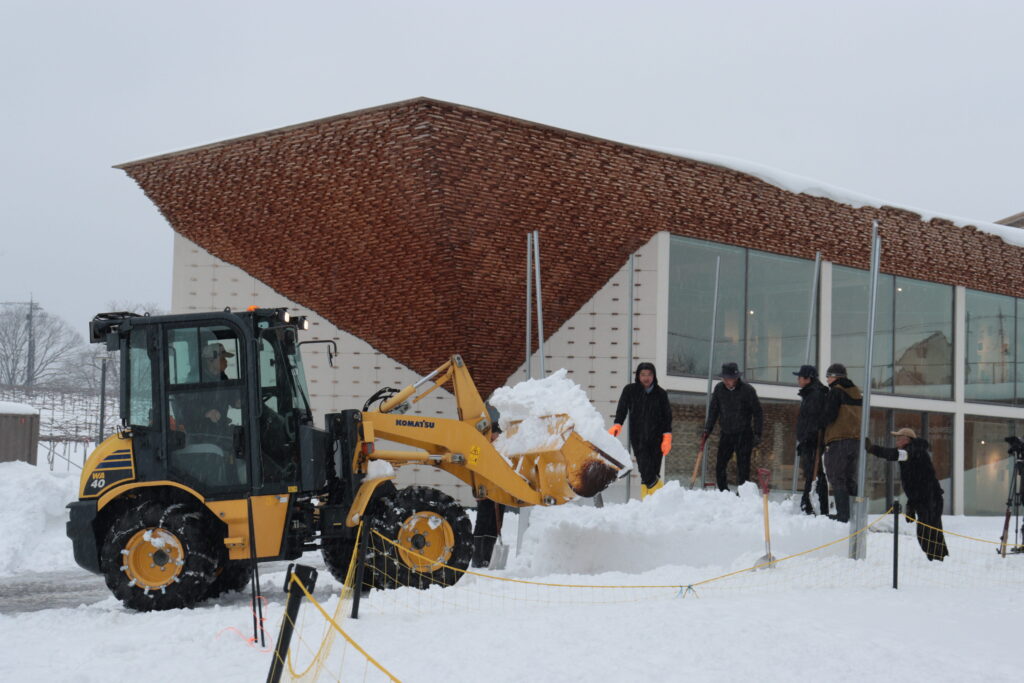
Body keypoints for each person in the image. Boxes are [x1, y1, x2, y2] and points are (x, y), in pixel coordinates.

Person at [866, 428, 949, 561]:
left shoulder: (912, 451)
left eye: (899, 438)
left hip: (930, 499)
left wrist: (873, 449)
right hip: (926, 499)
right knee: (932, 532)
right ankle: (940, 560)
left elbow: (893, 454)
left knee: (927, 533)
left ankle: (937, 560)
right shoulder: (912, 452)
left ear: (907, 439)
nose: (897, 441)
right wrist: (911, 504)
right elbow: (915, 483)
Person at [609, 362, 673, 499]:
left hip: (657, 438)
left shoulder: (660, 393)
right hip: (638, 438)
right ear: (638, 376)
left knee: (653, 472)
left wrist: (667, 437)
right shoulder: (630, 390)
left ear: (654, 376)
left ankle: (648, 502)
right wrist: (617, 424)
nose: (646, 378)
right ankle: (663, 498)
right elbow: (622, 408)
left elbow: (667, 417)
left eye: (649, 375)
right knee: (645, 469)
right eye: (643, 374)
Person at [703, 362, 763, 492]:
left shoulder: (747, 390)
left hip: (744, 434)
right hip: (726, 433)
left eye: (730, 378)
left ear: (736, 378)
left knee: (743, 467)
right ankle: (723, 491)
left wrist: (758, 433)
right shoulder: (719, 389)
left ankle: (742, 493)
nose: (727, 381)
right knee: (720, 465)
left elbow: (758, 413)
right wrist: (708, 429)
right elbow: (713, 411)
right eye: (725, 378)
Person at [822, 363, 862, 523]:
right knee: (850, 477)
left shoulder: (836, 392)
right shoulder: (856, 392)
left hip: (838, 440)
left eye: (828, 376)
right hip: (855, 440)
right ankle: (854, 514)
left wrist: (818, 421)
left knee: (837, 477)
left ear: (835, 377)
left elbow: (829, 415)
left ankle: (843, 515)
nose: (827, 380)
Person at [472, 405, 507, 567]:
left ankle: (489, 557)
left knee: (496, 524)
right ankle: (478, 558)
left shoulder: (504, 450)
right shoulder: (480, 448)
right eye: (493, 438)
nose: (495, 440)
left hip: (501, 492)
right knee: (483, 522)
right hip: (485, 490)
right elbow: (473, 466)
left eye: (497, 438)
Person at [794, 364, 829, 515]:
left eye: (800, 377)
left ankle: (808, 503)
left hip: (812, 440)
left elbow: (813, 420)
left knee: (812, 472)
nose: (798, 380)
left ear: (808, 379)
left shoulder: (814, 395)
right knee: (814, 472)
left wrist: (806, 439)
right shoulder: (811, 393)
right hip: (811, 439)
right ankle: (815, 504)